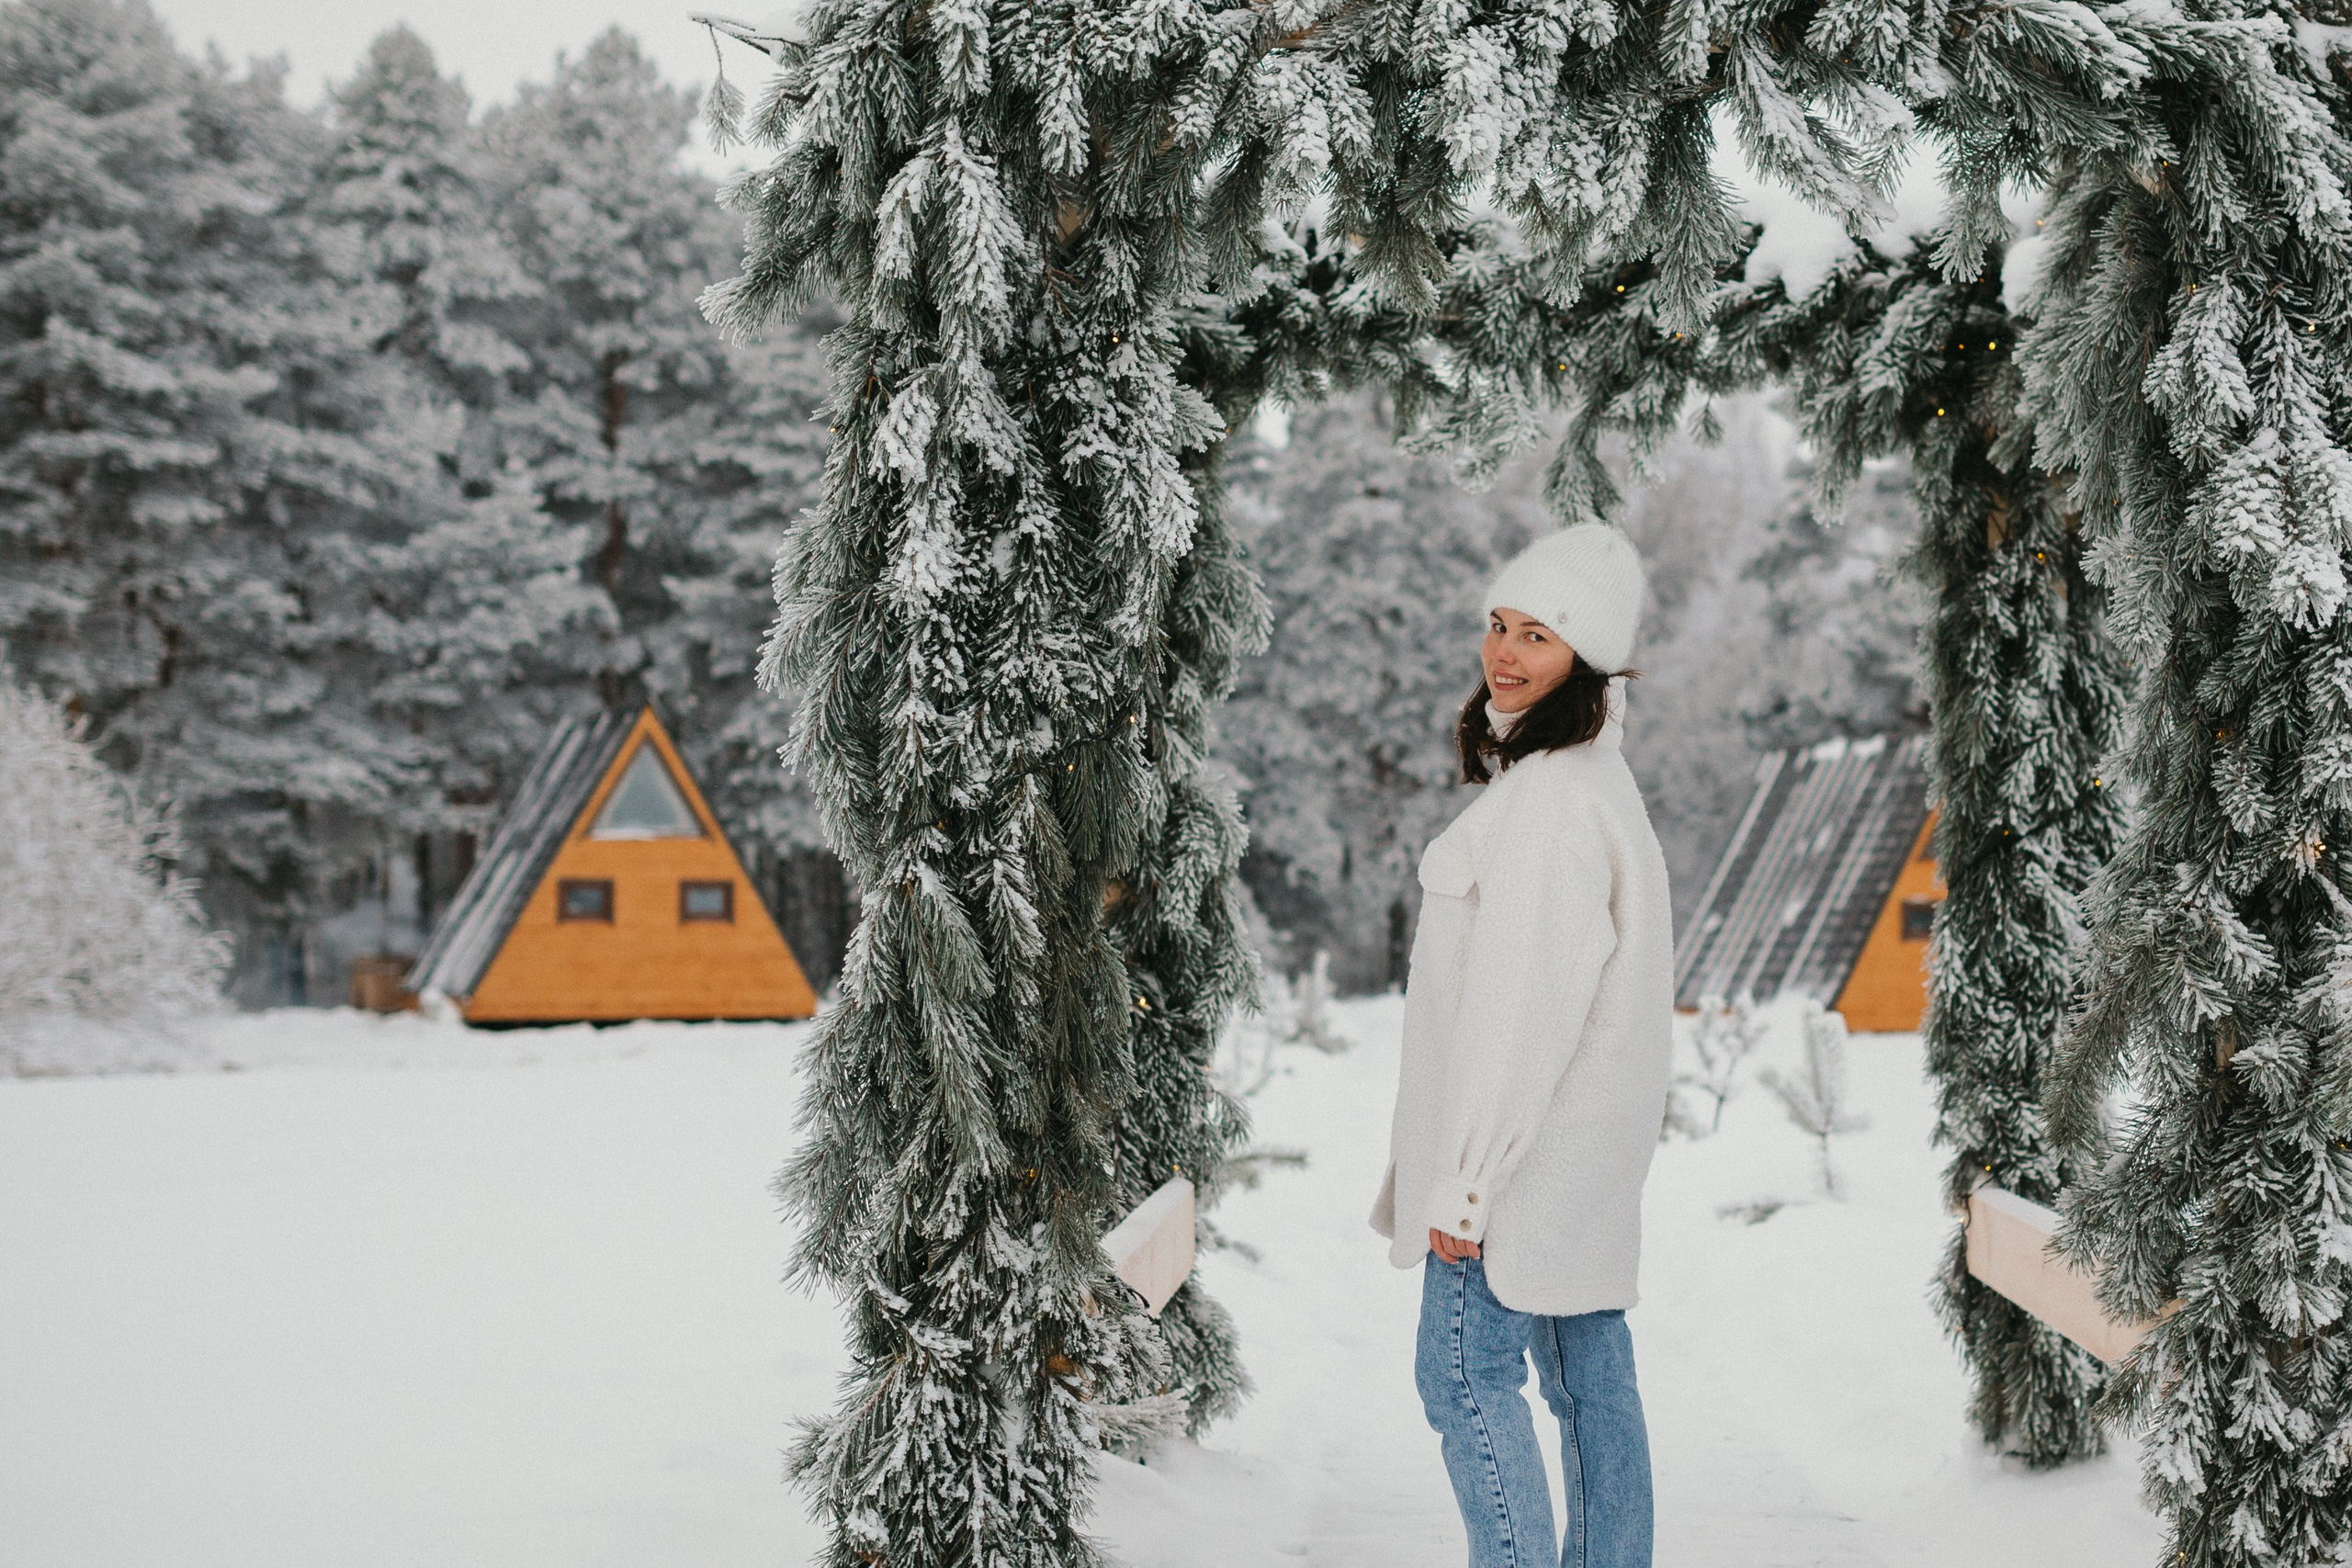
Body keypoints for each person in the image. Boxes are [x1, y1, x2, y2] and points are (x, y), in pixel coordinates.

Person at [1370, 523, 1674, 1568]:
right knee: (1590, 1380)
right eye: (1497, 625)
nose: (1502, 652)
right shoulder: (1588, 783)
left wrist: (1465, 1184)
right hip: (1576, 1154)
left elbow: (1517, 1015)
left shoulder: (1549, 804)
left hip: (1521, 1164)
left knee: (1460, 1377)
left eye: (1535, 635)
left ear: (1582, 659)